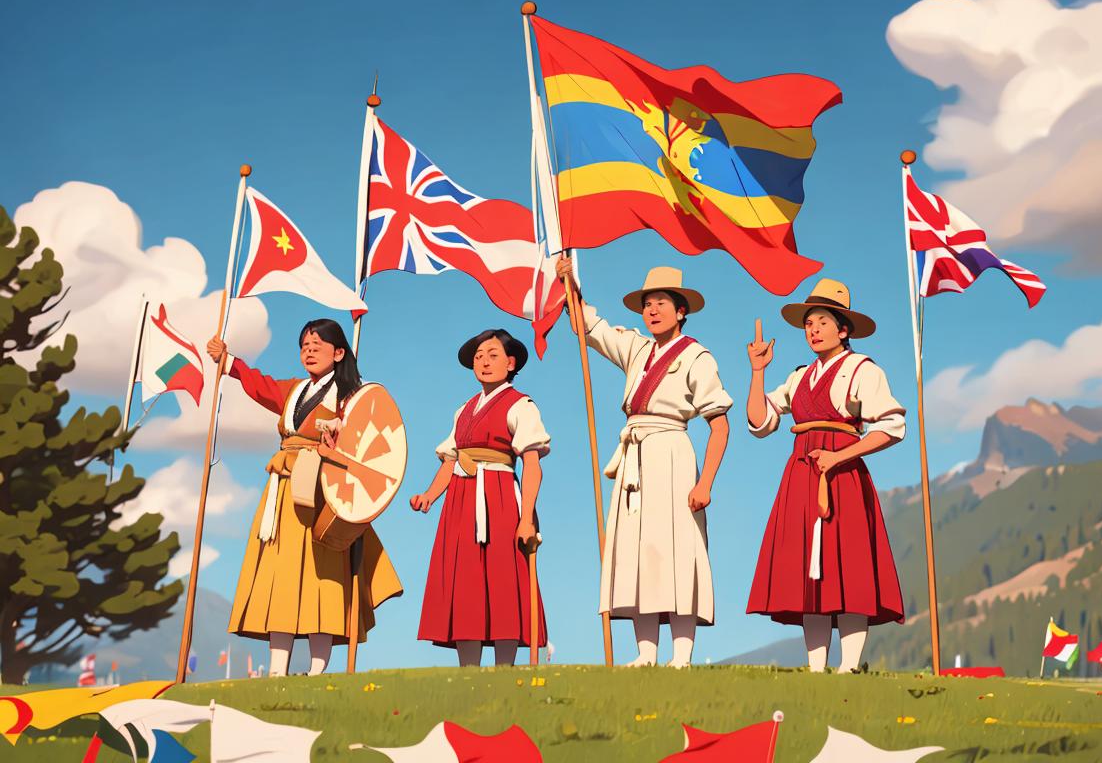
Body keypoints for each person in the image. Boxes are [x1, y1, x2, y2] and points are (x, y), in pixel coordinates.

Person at [557, 260, 731, 668]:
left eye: (661, 303)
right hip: (634, 455)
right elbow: (590, 328)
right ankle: (645, 653)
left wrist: (705, 483)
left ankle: (682, 655)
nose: (652, 311)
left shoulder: (696, 357)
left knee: (677, 549)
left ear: (681, 310)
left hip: (671, 451)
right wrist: (571, 284)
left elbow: (719, 425)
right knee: (637, 551)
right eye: (647, 304)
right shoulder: (636, 348)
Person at [205, 319, 402, 676]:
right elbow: (260, 386)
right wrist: (229, 362)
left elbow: (370, 444)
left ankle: (317, 668)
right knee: (279, 573)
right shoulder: (295, 390)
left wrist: (339, 443)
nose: (309, 350)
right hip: (283, 488)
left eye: (318, 344)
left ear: (339, 352)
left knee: (321, 577)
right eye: (304, 345)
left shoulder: (353, 398)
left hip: (323, 490)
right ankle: (277, 667)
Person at [745, 278, 905, 673]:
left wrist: (839, 458)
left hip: (844, 475)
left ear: (844, 329)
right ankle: (816, 669)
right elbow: (761, 421)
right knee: (808, 571)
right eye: (808, 323)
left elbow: (892, 426)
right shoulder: (799, 377)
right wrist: (758, 372)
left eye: (822, 322)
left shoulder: (861, 370)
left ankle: (849, 666)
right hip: (802, 474)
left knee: (848, 566)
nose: (813, 330)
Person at [412, 329, 549, 666]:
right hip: (461, 500)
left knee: (503, 577)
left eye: (492, 355)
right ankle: (468, 671)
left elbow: (532, 464)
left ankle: (505, 667)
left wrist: (527, 517)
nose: (484, 362)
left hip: (500, 497)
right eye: (478, 357)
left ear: (511, 362)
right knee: (465, 582)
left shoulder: (521, 405)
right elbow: (451, 459)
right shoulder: (464, 410)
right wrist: (430, 495)